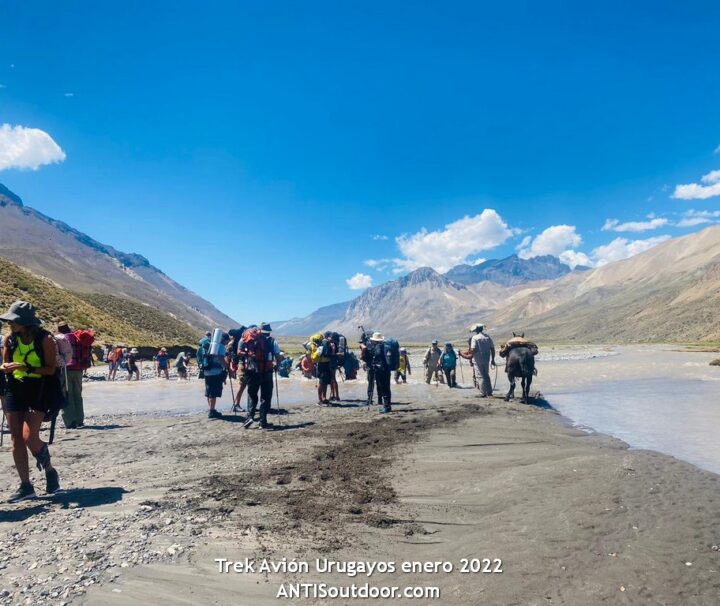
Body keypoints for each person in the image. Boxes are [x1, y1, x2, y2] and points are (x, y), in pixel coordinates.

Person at [0, 301, 61, 502]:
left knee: (29, 437)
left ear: (25, 322)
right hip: (14, 389)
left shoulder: (45, 340)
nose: (10, 325)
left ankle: (49, 469)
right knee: (16, 438)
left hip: (39, 391)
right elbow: (4, 364)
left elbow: (51, 369)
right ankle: (26, 486)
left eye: (14, 321)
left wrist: (26, 368)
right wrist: (7, 367)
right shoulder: (10, 339)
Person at [242, 323, 283, 429]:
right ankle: (262, 422)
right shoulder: (272, 341)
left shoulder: (251, 338)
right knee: (265, 397)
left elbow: (242, 352)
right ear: (269, 331)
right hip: (266, 372)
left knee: (252, 395)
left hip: (252, 372)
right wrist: (277, 366)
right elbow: (278, 357)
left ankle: (250, 417)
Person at [57, 322, 87, 429]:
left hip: (66, 369)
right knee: (77, 394)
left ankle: (70, 421)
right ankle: (80, 420)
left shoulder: (61, 338)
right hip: (79, 369)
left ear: (59, 329)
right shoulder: (77, 336)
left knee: (67, 394)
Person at [202, 333, 229, 419]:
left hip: (206, 371)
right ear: (224, 339)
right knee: (213, 392)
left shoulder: (211, 345)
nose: (228, 342)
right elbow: (221, 359)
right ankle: (212, 411)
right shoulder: (220, 347)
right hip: (216, 372)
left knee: (209, 390)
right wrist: (228, 366)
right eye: (227, 340)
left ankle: (211, 409)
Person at [465, 324, 496, 397]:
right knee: (486, 375)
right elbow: (492, 348)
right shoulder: (487, 337)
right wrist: (493, 359)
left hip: (478, 360)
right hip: (486, 359)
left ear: (476, 330)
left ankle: (483, 393)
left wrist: (469, 353)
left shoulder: (475, 338)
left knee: (480, 376)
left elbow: (473, 349)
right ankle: (489, 391)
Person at [367, 332, 392, 413]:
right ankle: (387, 406)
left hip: (381, 371)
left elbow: (377, 358)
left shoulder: (378, 347)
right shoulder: (384, 346)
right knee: (387, 388)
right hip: (386, 370)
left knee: (384, 388)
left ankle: (386, 407)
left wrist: (374, 365)